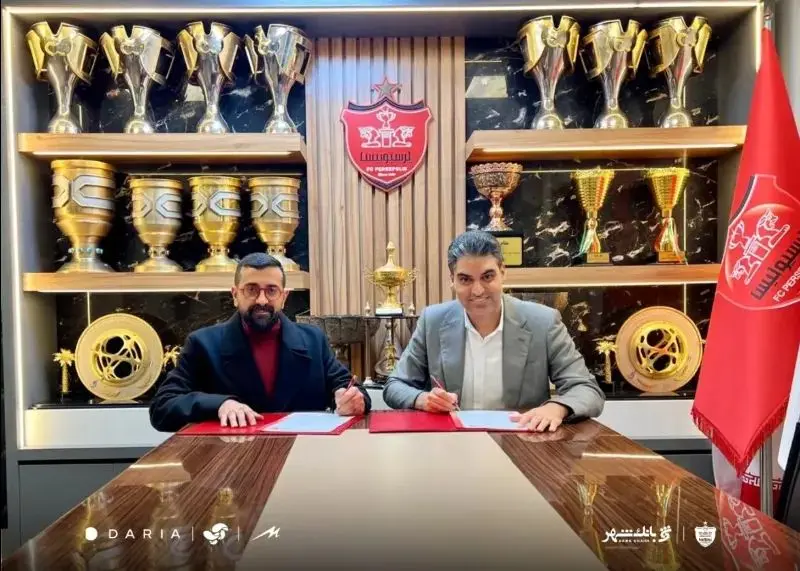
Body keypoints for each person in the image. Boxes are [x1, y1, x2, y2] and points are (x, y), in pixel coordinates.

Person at [383, 230, 604, 432]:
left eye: (487, 277)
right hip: (452, 443)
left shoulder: (543, 322)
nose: (478, 290)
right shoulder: (433, 321)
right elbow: (395, 386)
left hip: (524, 444)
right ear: (452, 281)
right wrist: (423, 399)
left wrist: (556, 408)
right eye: (465, 279)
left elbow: (586, 389)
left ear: (503, 272)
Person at [149, 253, 370, 432]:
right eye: (251, 289)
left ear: (284, 297)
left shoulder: (313, 340)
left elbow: (352, 389)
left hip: (300, 458)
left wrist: (353, 400)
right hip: (228, 462)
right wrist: (220, 404)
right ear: (235, 295)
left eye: (271, 290)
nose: (262, 300)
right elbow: (162, 408)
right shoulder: (203, 344)